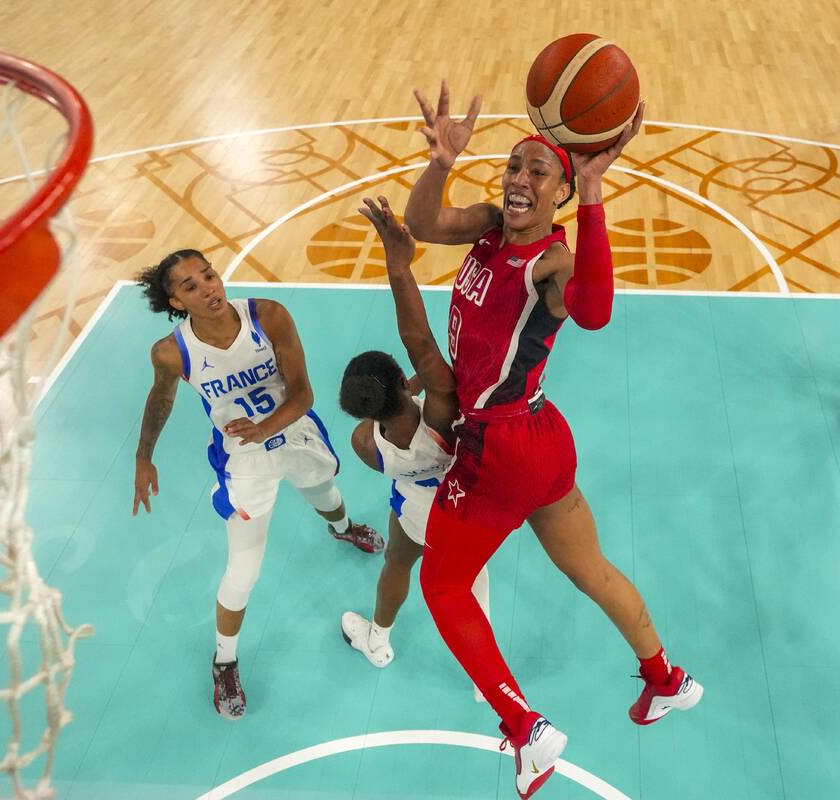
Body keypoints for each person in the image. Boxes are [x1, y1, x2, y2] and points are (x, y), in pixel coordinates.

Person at [394, 82, 702, 799]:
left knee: (442, 585)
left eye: (539, 171)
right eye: (513, 165)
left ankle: (526, 730)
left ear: (560, 193)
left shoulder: (552, 264)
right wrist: (441, 162)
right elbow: (421, 222)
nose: (520, 178)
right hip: (540, 436)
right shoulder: (489, 227)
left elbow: (594, 313)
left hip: (500, 449)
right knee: (589, 567)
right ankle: (665, 678)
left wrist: (594, 193)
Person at [132, 248, 384, 720]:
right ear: (177, 301)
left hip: (294, 430)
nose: (208, 288)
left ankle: (343, 528)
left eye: (208, 275)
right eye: (190, 286)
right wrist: (143, 456)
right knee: (243, 570)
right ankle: (224, 662)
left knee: (326, 496)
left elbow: (303, 393)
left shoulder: (267, 316)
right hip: (242, 459)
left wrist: (266, 427)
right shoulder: (171, 352)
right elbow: (160, 397)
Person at [334, 215, 488, 697]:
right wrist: (399, 268)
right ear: (404, 382)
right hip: (465, 503)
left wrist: (403, 389)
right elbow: (422, 346)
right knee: (472, 587)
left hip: (415, 509)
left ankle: (377, 640)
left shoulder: (364, 443)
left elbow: (386, 410)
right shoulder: (440, 410)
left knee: (398, 565)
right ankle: (484, 680)